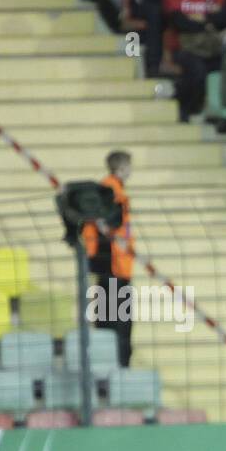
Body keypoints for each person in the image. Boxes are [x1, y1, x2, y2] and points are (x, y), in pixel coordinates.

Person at [82, 151, 136, 367]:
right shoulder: (110, 190)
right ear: (122, 168)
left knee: (111, 320)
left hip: (114, 265)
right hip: (113, 266)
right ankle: (118, 368)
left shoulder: (112, 189)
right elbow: (106, 225)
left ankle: (113, 367)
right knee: (117, 323)